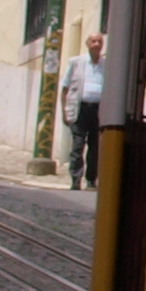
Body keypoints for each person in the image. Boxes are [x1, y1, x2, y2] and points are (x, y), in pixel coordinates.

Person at [62, 32, 106, 189]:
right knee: (77, 146)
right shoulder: (76, 63)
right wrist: (65, 111)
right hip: (80, 109)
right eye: (93, 41)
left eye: (99, 42)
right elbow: (65, 88)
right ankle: (75, 179)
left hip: (97, 111)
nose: (96, 45)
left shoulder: (105, 65)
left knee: (95, 147)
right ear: (88, 44)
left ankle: (91, 179)